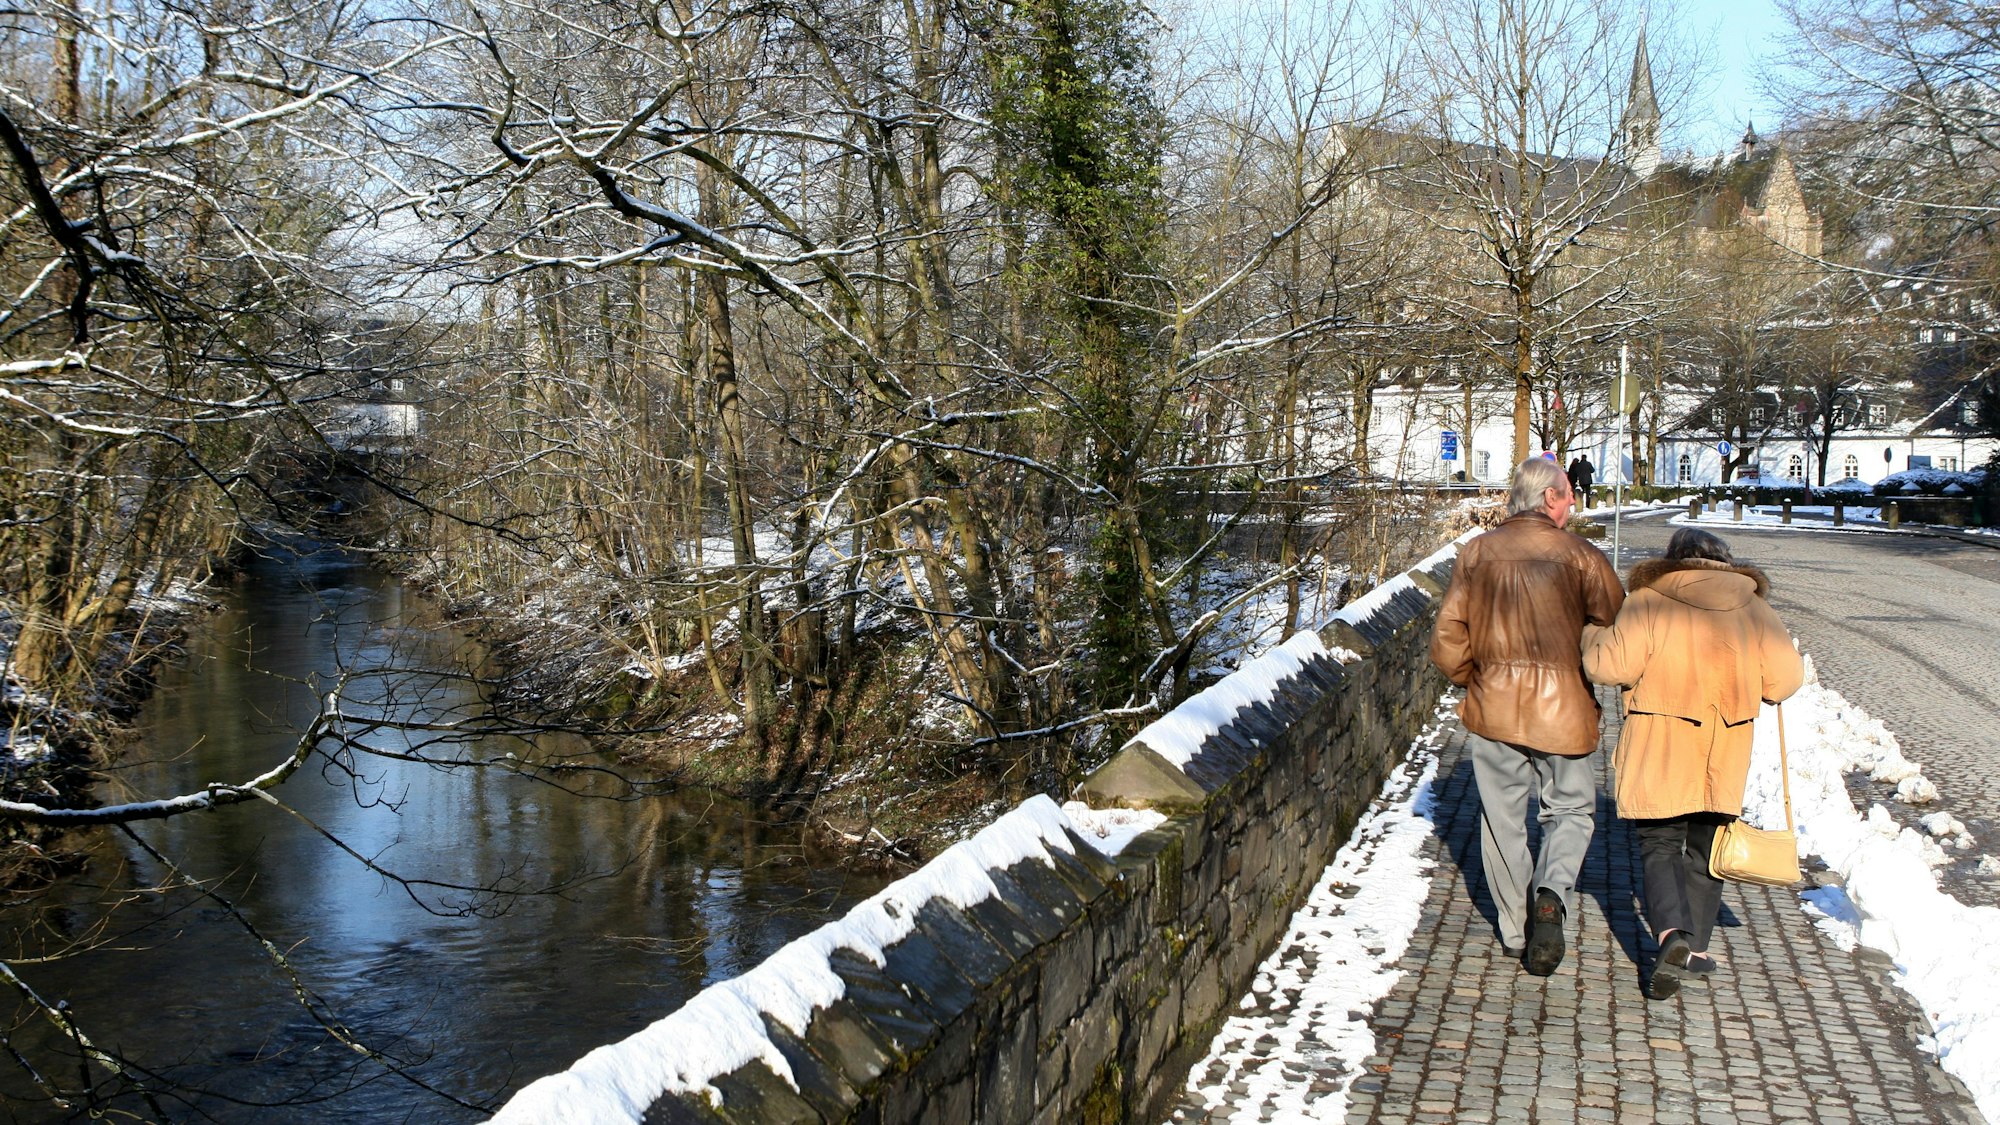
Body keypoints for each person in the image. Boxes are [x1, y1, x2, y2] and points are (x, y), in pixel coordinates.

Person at [1581, 528, 1804, 1000]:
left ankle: (1671, 937)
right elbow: (1784, 681)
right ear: (1725, 560)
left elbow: (1608, 667)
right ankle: (1694, 948)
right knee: (1706, 848)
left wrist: (1592, 633)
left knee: (1660, 844)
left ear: (1673, 559)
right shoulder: (1753, 607)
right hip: (1724, 747)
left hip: (1660, 743)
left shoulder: (1648, 601)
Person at [1430, 457, 1625, 974]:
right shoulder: (1582, 556)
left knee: (1502, 822)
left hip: (1495, 706)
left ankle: (1517, 932)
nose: (1574, 501)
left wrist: (1477, 679)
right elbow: (1617, 620)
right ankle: (1552, 894)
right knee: (1571, 811)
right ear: (1548, 498)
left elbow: (1447, 638)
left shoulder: (1477, 553)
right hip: (1565, 709)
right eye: (1568, 493)